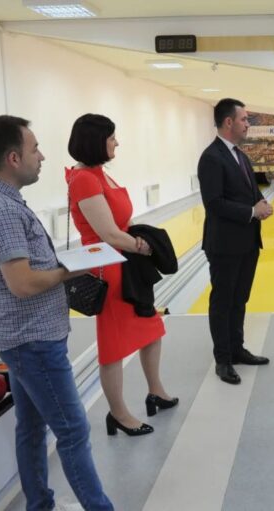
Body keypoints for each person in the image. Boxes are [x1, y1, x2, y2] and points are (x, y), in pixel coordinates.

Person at [0, 115, 113, 510]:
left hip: (21, 335)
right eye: (35, 149)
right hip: (32, 339)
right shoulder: (1, 210)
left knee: (31, 427)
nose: (42, 156)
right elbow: (23, 283)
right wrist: (72, 269)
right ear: (13, 158)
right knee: (73, 430)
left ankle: (39, 505)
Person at [66, 114, 177, 436]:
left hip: (126, 265)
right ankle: (118, 414)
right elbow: (109, 234)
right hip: (109, 268)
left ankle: (155, 391)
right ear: (96, 141)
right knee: (113, 345)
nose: (117, 142)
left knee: (151, 328)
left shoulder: (99, 174)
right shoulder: (84, 179)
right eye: (112, 137)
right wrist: (144, 246)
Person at [198, 98, 272, 385]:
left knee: (239, 298)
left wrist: (261, 203)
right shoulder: (211, 157)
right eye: (244, 119)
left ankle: (237, 349)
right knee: (222, 301)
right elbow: (214, 203)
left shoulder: (240, 155)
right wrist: (252, 211)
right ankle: (223, 359)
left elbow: (249, 191)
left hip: (247, 242)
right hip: (224, 245)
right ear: (229, 122)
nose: (247, 124)